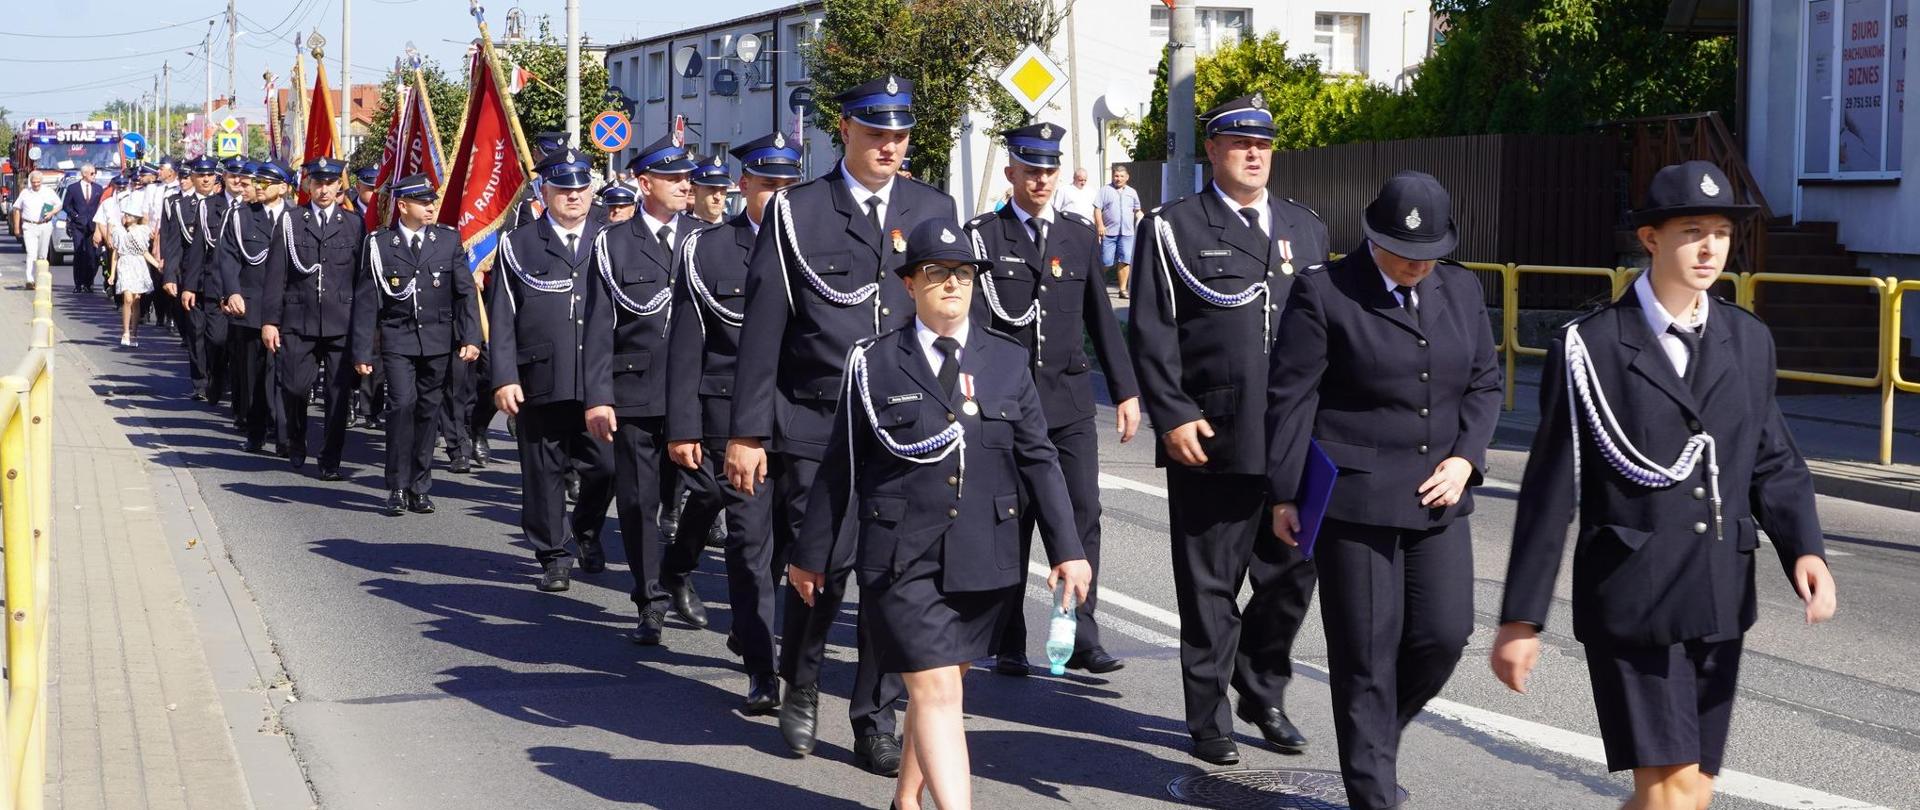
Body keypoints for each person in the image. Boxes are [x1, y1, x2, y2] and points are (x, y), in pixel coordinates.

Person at [1492, 160, 1838, 810]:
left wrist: (1806, 549)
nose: (1710, 248)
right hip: (1633, 598)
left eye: (1721, 233)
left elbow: (1773, 459)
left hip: (1720, 596)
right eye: (1691, 231)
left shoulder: (1748, 339)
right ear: (1650, 238)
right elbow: (1549, 491)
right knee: (1670, 794)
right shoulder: (1589, 349)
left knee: (1693, 793)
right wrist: (1520, 618)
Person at [791, 217, 1092, 810]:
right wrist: (811, 556)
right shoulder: (873, 362)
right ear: (910, 284)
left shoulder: (1005, 361)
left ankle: (907, 801)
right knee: (932, 689)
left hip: (985, 553)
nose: (952, 284)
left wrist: (1069, 549)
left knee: (946, 683)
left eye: (962, 273)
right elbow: (839, 467)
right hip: (899, 557)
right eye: (936, 273)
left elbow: (1040, 461)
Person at [727, 75, 954, 775]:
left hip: (909, 427)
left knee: (896, 581)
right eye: (876, 132)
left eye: (900, 134)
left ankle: (874, 715)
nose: (890, 145)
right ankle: (800, 680)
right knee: (816, 572)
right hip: (816, 423)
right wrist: (747, 432)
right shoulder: (799, 211)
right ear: (845, 130)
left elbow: (954, 315)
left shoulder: (930, 207)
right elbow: (765, 328)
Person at [1264, 171, 1502, 808]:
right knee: (1366, 657)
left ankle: (1371, 740)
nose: (1418, 267)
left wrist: (1466, 461)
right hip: (1357, 506)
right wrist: (1286, 494)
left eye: (1430, 256)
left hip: (1440, 500)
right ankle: (1373, 791)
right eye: (1405, 254)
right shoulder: (1325, 292)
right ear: (1374, 239)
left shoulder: (1462, 288)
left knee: (1444, 634)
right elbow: (1291, 400)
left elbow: (1484, 384)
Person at [1128, 94, 1327, 766]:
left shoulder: (1307, 228)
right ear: (1211, 150)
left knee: (1293, 573)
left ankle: (1260, 684)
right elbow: (1152, 331)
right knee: (1210, 586)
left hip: (1293, 439)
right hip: (1212, 432)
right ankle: (1208, 713)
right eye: (1238, 142)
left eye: (1263, 144)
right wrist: (1172, 414)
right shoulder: (1175, 227)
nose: (1252, 154)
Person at [963, 122, 1141, 677]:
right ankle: (1007, 636)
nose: (1040, 179)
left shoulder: (1077, 235)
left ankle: (1082, 634)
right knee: (1010, 522)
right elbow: (974, 328)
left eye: (1049, 169)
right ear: (1011, 172)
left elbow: (1100, 320)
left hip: (1067, 405)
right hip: (1008, 409)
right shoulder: (983, 238)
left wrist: (1126, 391)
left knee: (1082, 517)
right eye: (1030, 169)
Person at [660, 132, 800, 712]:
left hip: (798, 419)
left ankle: (752, 626)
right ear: (744, 187)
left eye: (788, 185)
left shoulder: (810, 245)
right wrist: (683, 427)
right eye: (768, 185)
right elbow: (688, 345)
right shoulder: (711, 249)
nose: (778, 195)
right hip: (727, 418)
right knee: (747, 544)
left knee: (789, 549)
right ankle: (763, 670)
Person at [580, 133, 701, 644]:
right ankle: (649, 598)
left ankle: (677, 566)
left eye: (686, 178)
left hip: (697, 392)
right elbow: (598, 326)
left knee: (715, 492)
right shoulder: (614, 242)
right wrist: (598, 395)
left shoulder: (704, 236)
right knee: (636, 501)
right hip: (636, 390)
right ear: (643, 182)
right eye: (672, 178)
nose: (683, 186)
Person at [489, 148, 618, 593]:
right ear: (545, 192)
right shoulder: (519, 243)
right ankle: (553, 555)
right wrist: (504, 376)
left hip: (598, 380)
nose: (574, 196)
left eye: (582, 188)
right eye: (564, 188)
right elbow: (503, 316)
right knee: (543, 472)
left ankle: (584, 530)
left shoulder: (611, 237)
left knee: (605, 467)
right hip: (539, 375)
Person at [350, 174, 482, 515]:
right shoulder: (380, 244)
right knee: (402, 406)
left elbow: (464, 292)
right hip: (398, 338)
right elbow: (367, 300)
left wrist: (471, 337)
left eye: (432, 202)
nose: (430, 207)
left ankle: (420, 486)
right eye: (423, 202)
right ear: (403, 205)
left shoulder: (447, 240)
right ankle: (396, 484)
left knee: (428, 411)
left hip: (438, 340)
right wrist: (363, 350)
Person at [263, 158, 366, 478]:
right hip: (299, 319)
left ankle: (330, 458)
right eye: (317, 183)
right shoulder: (292, 221)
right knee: (294, 387)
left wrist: (364, 328)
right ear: (308, 186)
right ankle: (296, 436)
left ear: (339, 187)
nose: (323, 189)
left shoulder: (354, 224)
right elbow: (276, 273)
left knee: (338, 397)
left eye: (330, 184)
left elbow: (362, 281)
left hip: (341, 321)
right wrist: (270, 320)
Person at [160, 157, 225, 400]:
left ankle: (218, 378)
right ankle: (200, 382)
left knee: (218, 336)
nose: (206, 179)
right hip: (191, 278)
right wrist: (169, 276)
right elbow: (173, 245)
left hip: (219, 280)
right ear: (193, 178)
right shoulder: (181, 206)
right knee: (195, 332)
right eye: (200, 175)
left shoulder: (224, 206)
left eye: (210, 175)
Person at [111, 197, 159, 346]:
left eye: (129, 215)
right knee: (128, 298)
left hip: (138, 265)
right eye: (125, 214)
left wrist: (157, 265)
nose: (126, 217)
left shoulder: (142, 231)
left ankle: (134, 333)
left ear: (135, 218)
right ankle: (125, 331)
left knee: (136, 300)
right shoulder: (118, 231)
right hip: (125, 264)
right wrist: (112, 274)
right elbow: (116, 253)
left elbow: (144, 252)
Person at [1094, 164, 1142, 299]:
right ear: (1112, 176)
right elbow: (1097, 209)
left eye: (1121, 176)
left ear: (1127, 177)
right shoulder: (1105, 190)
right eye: (1116, 176)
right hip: (1109, 232)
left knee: (1125, 260)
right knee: (1106, 261)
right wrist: (1100, 225)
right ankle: (1097, 285)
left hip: (1127, 233)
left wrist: (1144, 220)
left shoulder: (1132, 192)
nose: (1118, 178)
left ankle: (1122, 290)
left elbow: (1137, 210)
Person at [62, 164, 106, 292]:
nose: (94, 176)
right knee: (79, 254)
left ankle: (89, 282)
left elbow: (101, 206)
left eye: (95, 173)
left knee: (93, 256)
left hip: (93, 227)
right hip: (78, 226)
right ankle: (78, 284)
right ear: (84, 174)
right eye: (92, 173)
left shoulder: (98, 188)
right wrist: (75, 215)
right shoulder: (73, 188)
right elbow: (66, 205)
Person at [14, 173, 60, 285]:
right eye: (34, 182)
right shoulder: (25, 193)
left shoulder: (48, 192)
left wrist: (51, 213)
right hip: (29, 226)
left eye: (38, 182)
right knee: (31, 253)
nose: (36, 184)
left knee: (43, 254)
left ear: (41, 181)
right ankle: (29, 279)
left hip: (45, 225)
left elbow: (59, 205)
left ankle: (41, 278)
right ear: (31, 181)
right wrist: (16, 228)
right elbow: (16, 209)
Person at [689, 155, 731, 224]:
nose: (718, 196)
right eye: (711, 188)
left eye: (723, 189)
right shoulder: (678, 228)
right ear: (694, 190)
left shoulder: (736, 229)